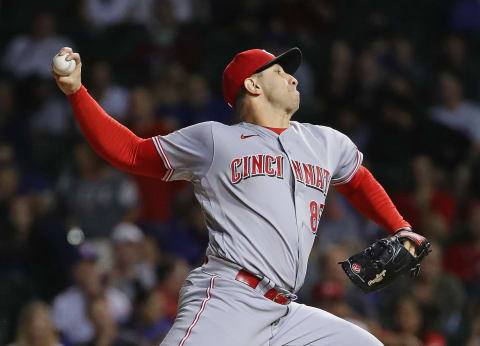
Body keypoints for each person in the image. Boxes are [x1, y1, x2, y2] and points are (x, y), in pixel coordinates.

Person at [53, 46, 423, 345]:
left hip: (286, 312)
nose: (293, 76)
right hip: (230, 298)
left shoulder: (324, 141)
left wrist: (400, 227)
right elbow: (131, 152)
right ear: (253, 85)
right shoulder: (216, 140)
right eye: (279, 71)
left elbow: (357, 180)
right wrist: (77, 92)